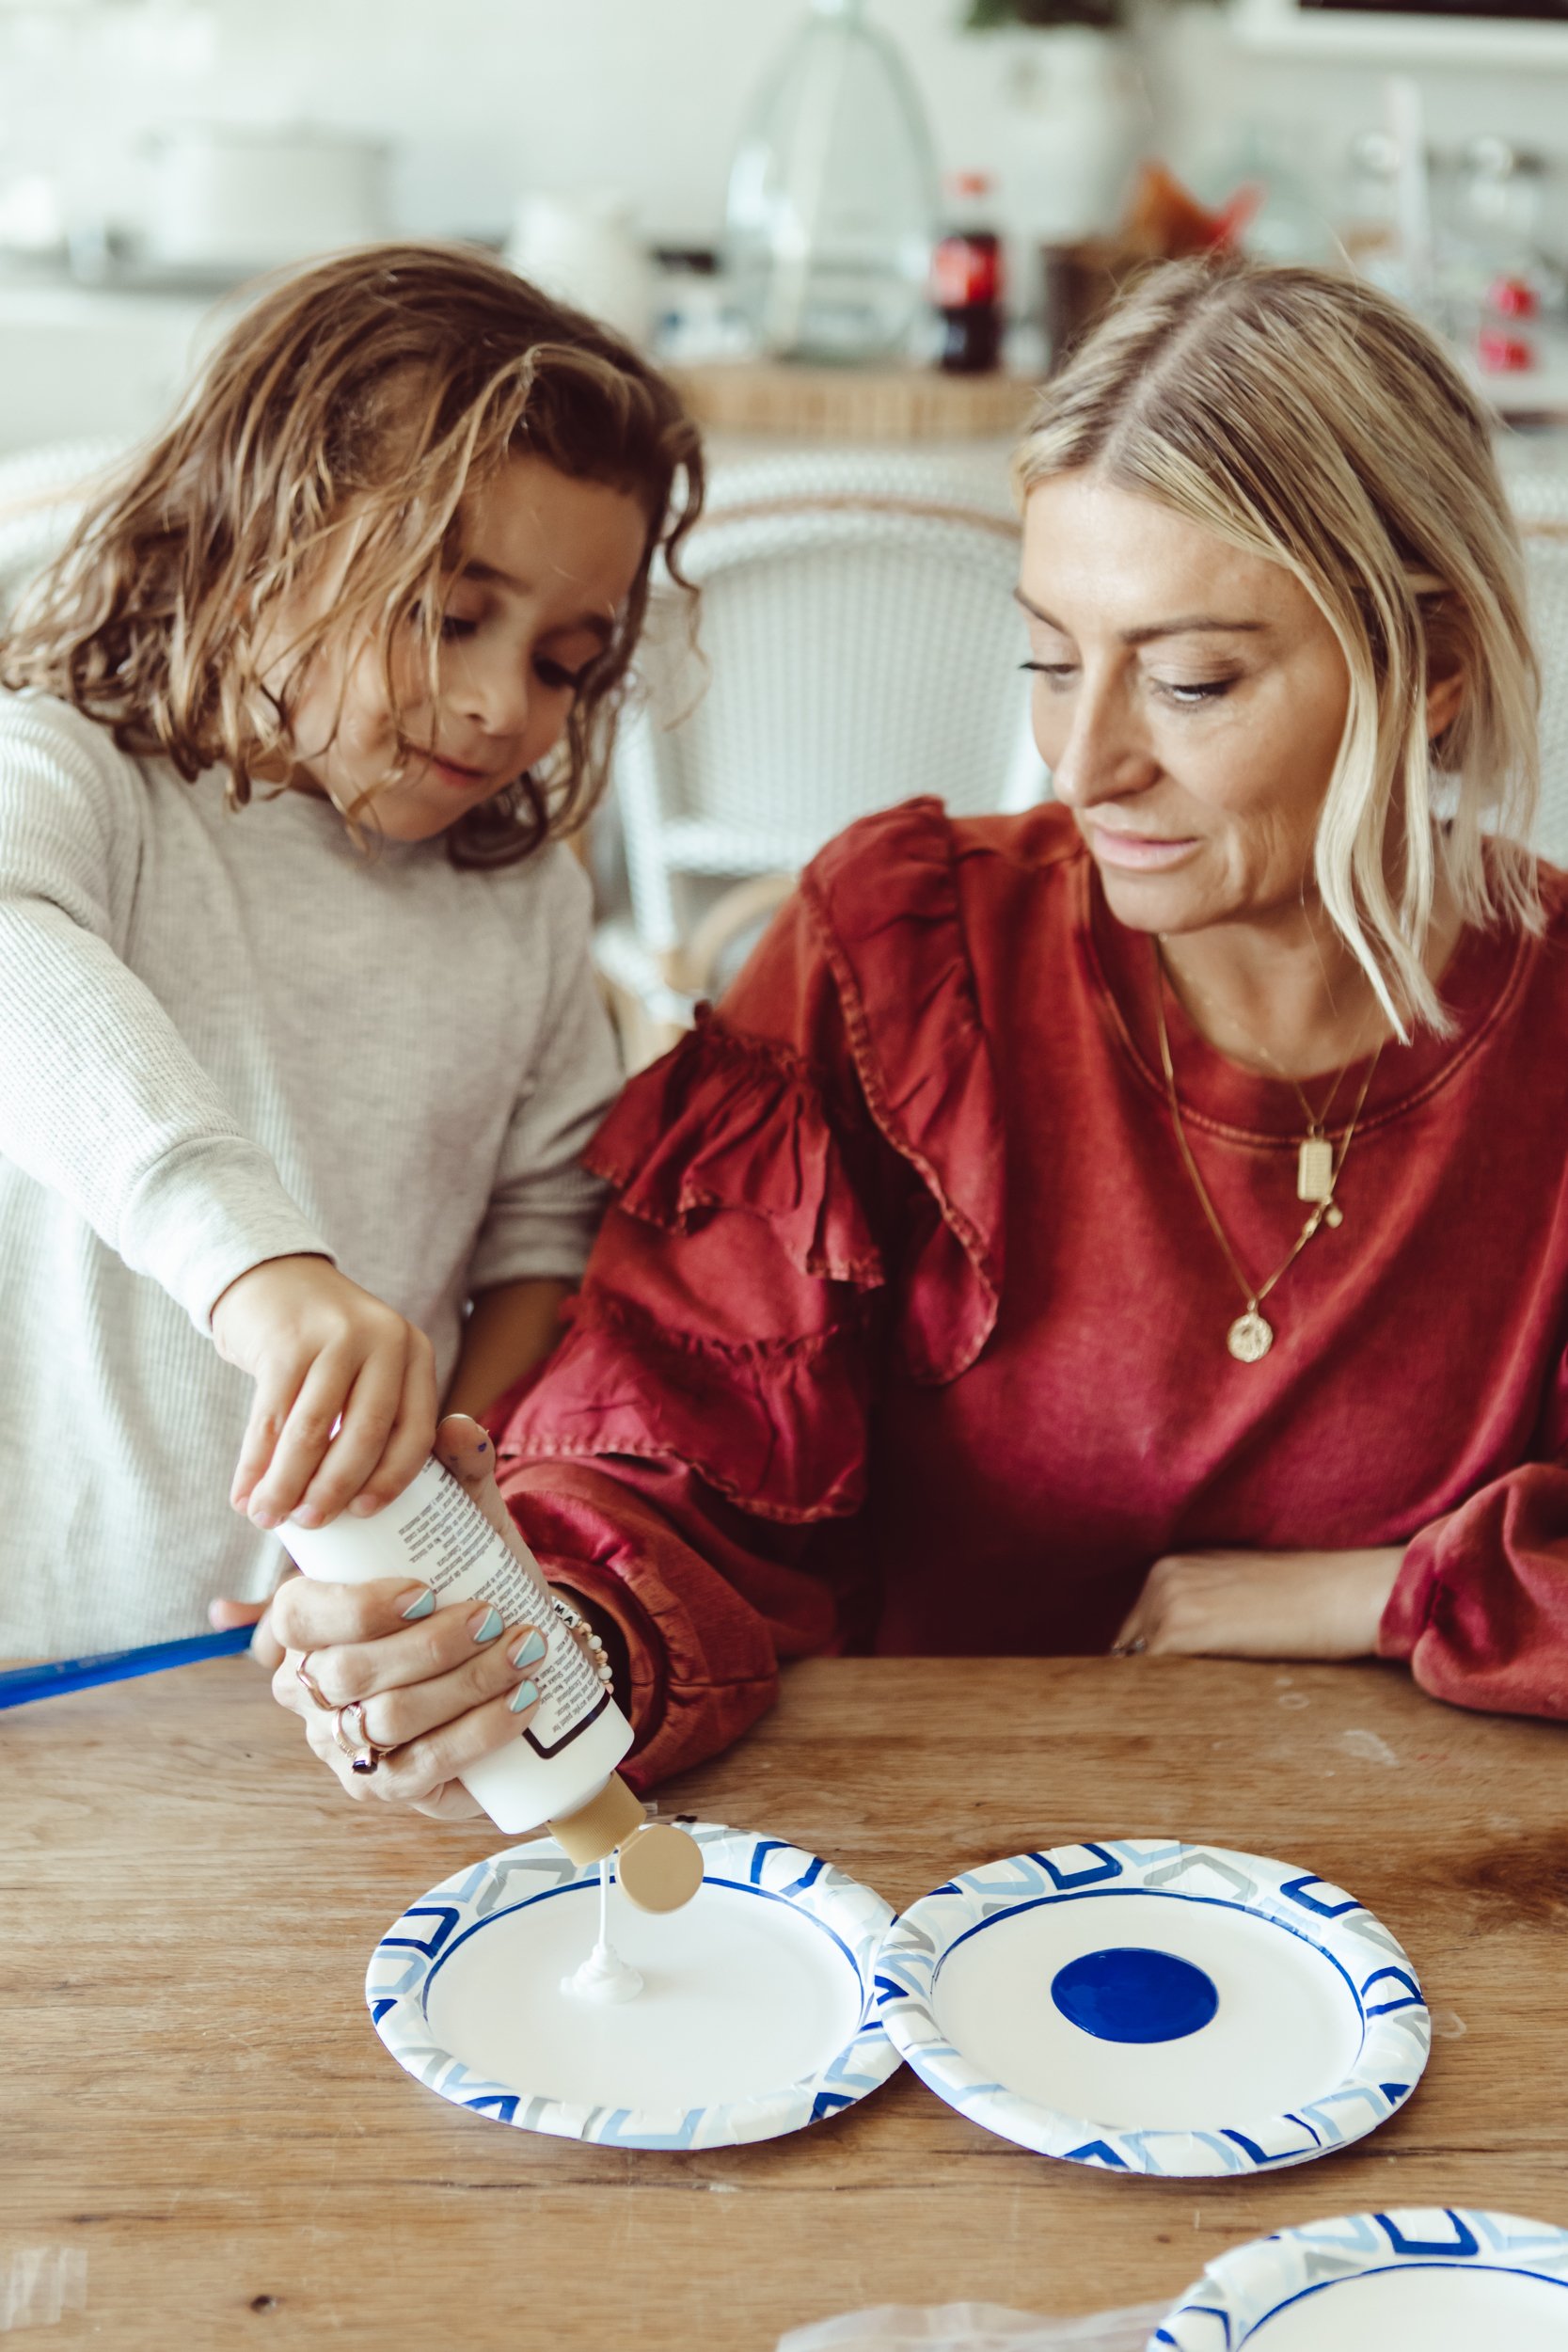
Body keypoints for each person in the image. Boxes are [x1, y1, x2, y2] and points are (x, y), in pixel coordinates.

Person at [266, 258, 1568, 1820]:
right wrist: (531, 1646)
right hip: (937, 1874)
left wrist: (1399, 1593)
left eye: (1191, 678)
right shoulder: (904, 961)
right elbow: (670, 1465)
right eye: (1049, 658)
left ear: (1428, 668)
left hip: (1443, 1900)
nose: (1084, 763)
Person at [0, 244, 704, 1717]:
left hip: (321, 1677)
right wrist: (259, 1272)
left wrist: (430, 1489)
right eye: (450, 616)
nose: (504, 703)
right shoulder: (82, 779)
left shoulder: (521, 898)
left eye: (568, 663)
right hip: (36, 1663)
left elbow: (543, 1236)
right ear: (261, 533)